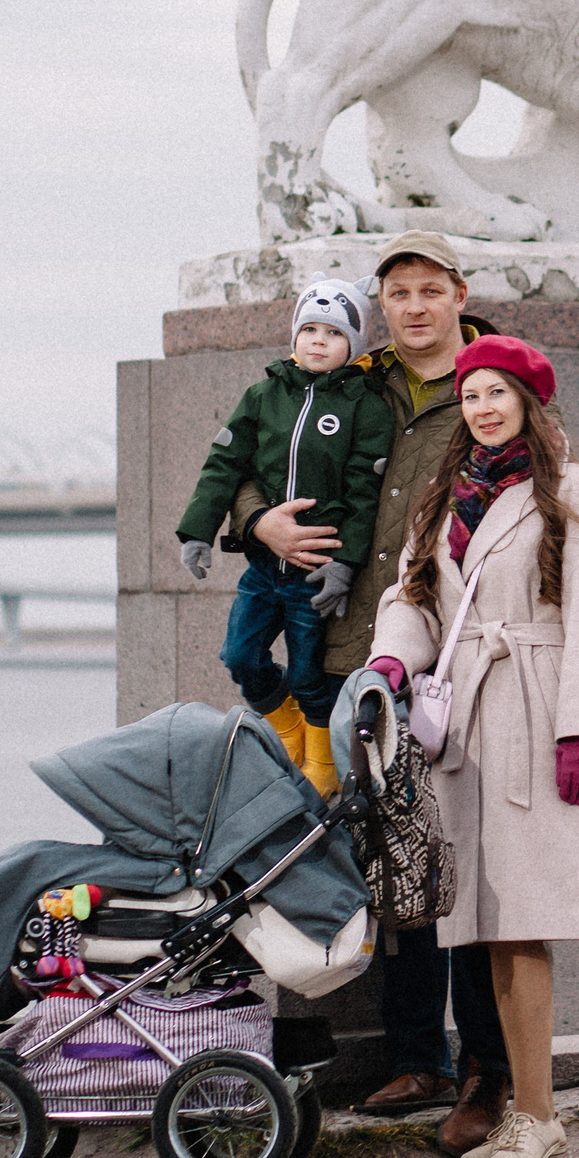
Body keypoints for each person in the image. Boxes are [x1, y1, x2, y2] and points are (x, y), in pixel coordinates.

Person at [221, 230, 579, 1157]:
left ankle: (502, 1085)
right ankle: (426, 1061)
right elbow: (273, 461)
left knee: (507, 906)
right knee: (417, 876)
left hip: (511, 691)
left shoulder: (549, 463)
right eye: (396, 291)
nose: (480, 407)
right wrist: (263, 530)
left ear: (459, 297)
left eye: (429, 289)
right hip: (392, 671)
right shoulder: (355, 391)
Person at [361, 334, 579, 1158]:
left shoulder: (569, 487)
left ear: (528, 402)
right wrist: (392, 658)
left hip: (535, 710)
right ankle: (519, 1107)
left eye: (497, 393)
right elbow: (414, 595)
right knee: (478, 925)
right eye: (471, 395)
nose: (482, 408)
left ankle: (537, 1114)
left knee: (523, 923)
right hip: (465, 718)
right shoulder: (447, 495)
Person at [172, 278, 390, 796]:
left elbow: (365, 494)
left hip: (315, 571)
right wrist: (198, 531)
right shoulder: (264, 395)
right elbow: (225, 463)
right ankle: (286, 729)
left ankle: (322, 763)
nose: (318, 341)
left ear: (355, 344)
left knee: (311, 674)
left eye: (333, 333)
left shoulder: (365, 406)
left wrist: (345, 563)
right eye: (309, 329)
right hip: (264, 567)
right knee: (239, 655)